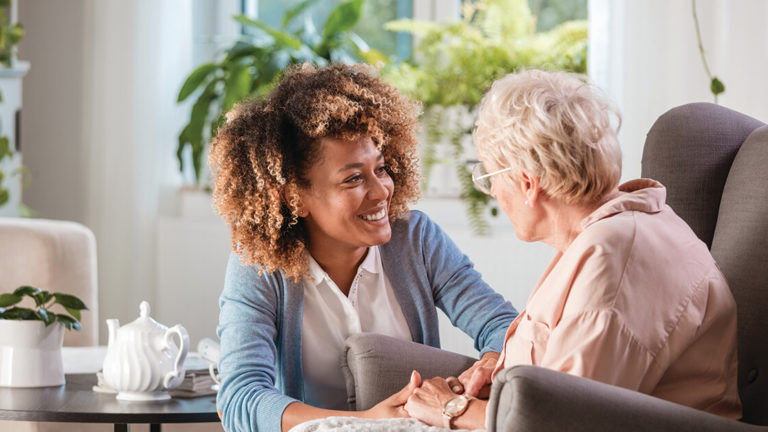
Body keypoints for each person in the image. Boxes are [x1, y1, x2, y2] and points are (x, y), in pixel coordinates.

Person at [404, 69, 742, 429]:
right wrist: (503, 374)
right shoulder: (612, 232)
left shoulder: (614, 257)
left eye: (488, 177)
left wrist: (452, 409)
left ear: (527, 183)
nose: (494, 193)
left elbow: (566, 419)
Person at [209, 63, 518, 432]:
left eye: (382, 168)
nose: (381, 191)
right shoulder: (258, 266)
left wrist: (490, 362)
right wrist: (364, 424)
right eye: (353, 178)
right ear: (295, 197)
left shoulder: (416, 240)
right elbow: (241, 399)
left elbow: (504, 325)